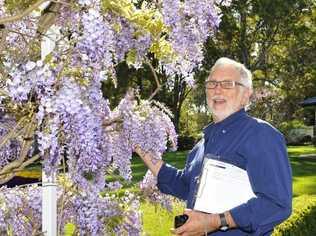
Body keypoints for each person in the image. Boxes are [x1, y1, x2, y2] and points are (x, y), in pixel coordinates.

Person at [135, 57, 292, 235]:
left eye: (227, 84)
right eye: (212, 83)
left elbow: (276, 204)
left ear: (246, 95)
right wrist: (142, 149)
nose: (217, 89)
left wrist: (216, 222)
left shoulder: (260, 135)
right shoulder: (201, 146)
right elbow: (184, 186)